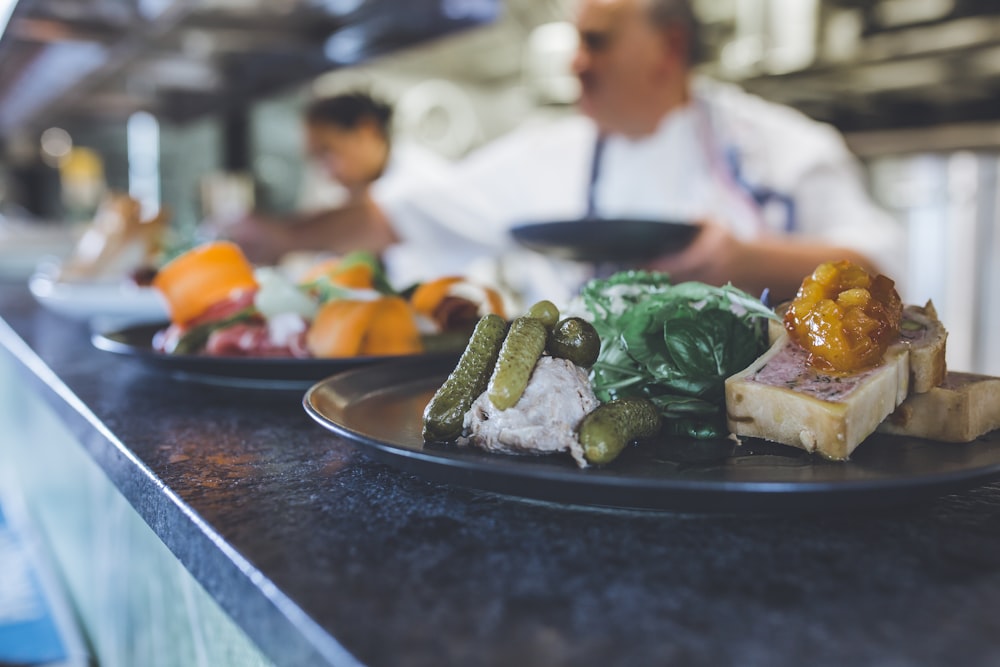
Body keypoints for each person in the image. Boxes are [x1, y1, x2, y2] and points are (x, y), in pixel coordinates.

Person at [231, 0, 905, 306]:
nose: (576, 63)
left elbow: (880, 269)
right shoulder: (545, 155)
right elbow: (396, 217)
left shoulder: (784, 146)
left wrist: (741, 259)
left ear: (667, 48)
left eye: (598, 41)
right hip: (586, 432)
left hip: (763, 448)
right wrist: (281, 236)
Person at [224, 91, 452, 266]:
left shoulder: (422, 183)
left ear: (367, 131)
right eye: (315, 159)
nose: (326, 172)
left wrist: (284, 237)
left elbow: (384, 221)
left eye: (328, 152)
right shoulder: (354, 190)